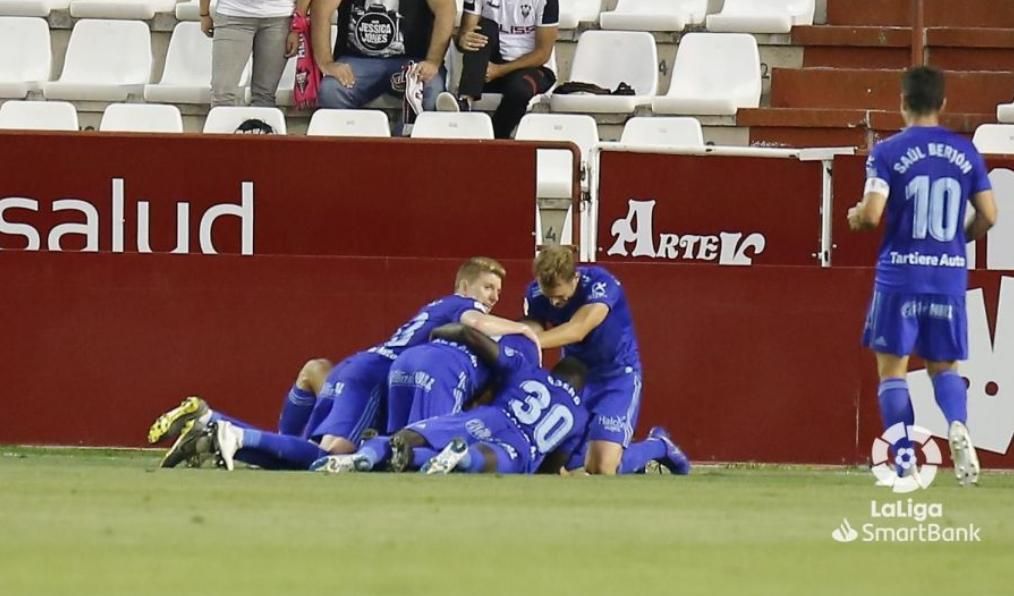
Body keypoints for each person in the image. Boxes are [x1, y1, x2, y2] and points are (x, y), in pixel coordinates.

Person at [149, 257, 539, 470]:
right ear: (465, 286)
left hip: (360, 365)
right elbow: (478, 323)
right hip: (373, 376)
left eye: (498, 291)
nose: (492, 297)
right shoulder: (462, 305)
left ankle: (212, 428)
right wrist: (526, 332)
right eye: (488, 288)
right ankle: (225, 430)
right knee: (330, 454)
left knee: (308, 450)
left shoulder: (434, 307)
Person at [848, 66, 998, 486]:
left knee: (892, 372)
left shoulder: (888, 151)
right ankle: (957, 424)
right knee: (944, 368)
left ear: (902, 102)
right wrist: (957, 240)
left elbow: (873, 213)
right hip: (947, 277)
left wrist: (857, 217)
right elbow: (991, 214)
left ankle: (903, 457)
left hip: (900, 277)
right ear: (943, 103)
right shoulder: (966, 152)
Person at [314, 323, 588, 474]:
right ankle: (462, 458)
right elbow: (552, 465)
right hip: (520, 445)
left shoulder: (529, 370)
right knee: (484, 460)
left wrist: (441, 332)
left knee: (416, 434)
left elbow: (472, 336)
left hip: (492, 416)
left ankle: (366, 454)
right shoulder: (579, 415)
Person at [523, 245, 642, 475]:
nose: (555, 303)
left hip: (616, 375)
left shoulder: (601, 284)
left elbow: (578, 329)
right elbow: (534, 328)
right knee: (564, 463)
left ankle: (658, 446)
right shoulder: (535, 294)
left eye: (560, 296)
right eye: (550, 297)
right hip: (576, 378)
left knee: (601, 468)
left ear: (574, 277)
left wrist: (527, 340)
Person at [437, 0, 558, 139]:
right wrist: (463, 40)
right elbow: (466, 33)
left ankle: (493, 139)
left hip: (531, 68)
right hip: (488, 69)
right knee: (484, 27)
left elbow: (543, 53)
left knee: (520, 91)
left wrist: (500, 70)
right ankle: (465, 100)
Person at [311, 0, 454, 113]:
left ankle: (407, 144)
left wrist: (433, 61)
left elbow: (446, 10)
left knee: (432, 90)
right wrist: (326, 62)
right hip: (356, 61)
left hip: (413, 62)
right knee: (331, 90)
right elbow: (321, 10)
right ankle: (353, 146)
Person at [201, 0, 309, 106]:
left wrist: (297, 26)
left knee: (264, 95)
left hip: (280, 16)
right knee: (222, 93)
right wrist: (204, 13)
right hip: (232, 13)